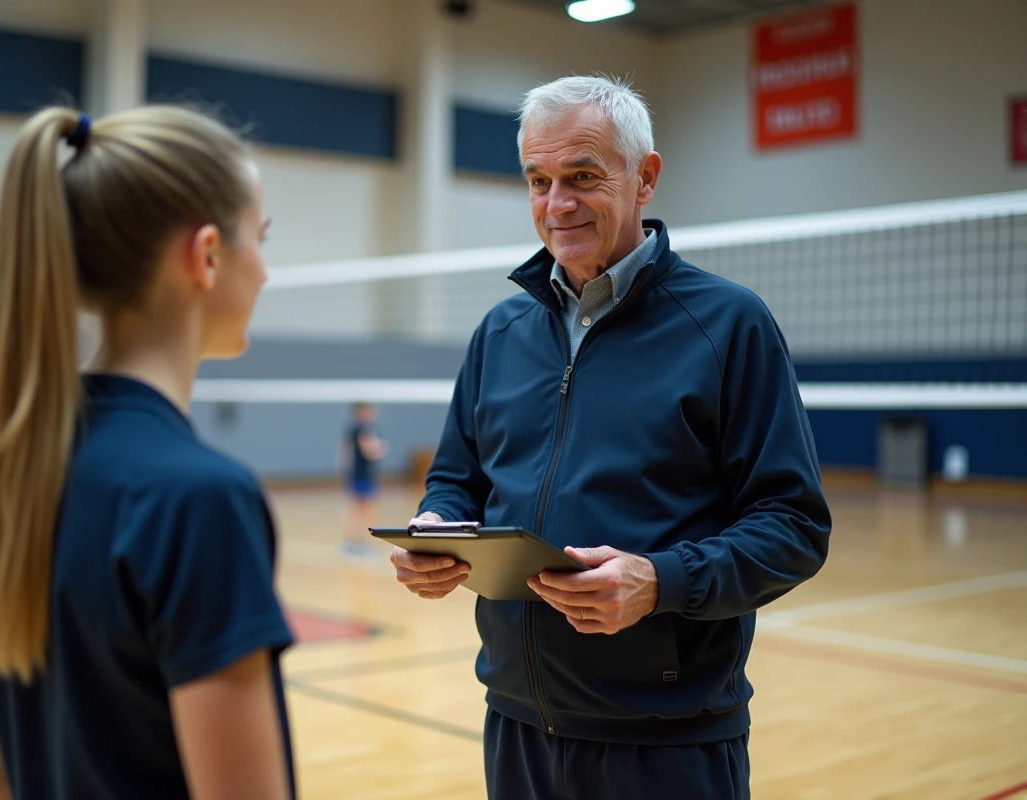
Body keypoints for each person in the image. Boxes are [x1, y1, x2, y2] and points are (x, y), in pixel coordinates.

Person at [389, 75, 831, 798]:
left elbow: (794, 528)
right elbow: (455, 479)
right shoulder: (500, 332)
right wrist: (437, 530)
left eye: (583, 177)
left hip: (666, 740)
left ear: (646, 177)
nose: (557, 205)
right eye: (539, 180)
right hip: (517, 724)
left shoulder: (728, 326)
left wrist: (659, 581)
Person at [0, 106, 294, 800]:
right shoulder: (198, 500)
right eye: (259, 239)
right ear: (204, 256)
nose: (265, 271)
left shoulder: (7, 482)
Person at [340, 402, 388, 558]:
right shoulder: (364, 429)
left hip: (358, 474)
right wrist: (381, 448)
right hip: (362, 475)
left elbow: (343, 452)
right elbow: (370, 450)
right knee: (364, 510)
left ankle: (352, 543)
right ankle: (359, 544)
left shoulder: (353, 429)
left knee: (357, 509)